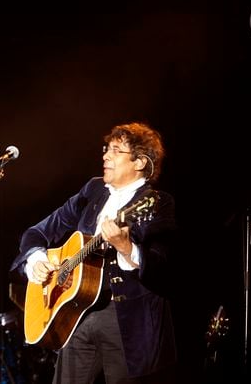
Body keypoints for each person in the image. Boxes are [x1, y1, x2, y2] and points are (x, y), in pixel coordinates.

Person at [10, 122, 177, 384]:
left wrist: (126, 247)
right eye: (106, 149)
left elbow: (164, 267)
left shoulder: (157, 202)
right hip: (77, 314)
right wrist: (37, 259)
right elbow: (37, 232)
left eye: (115, 150)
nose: (105, 156)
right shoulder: (93, 190)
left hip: (127, 321)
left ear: (140, 162)